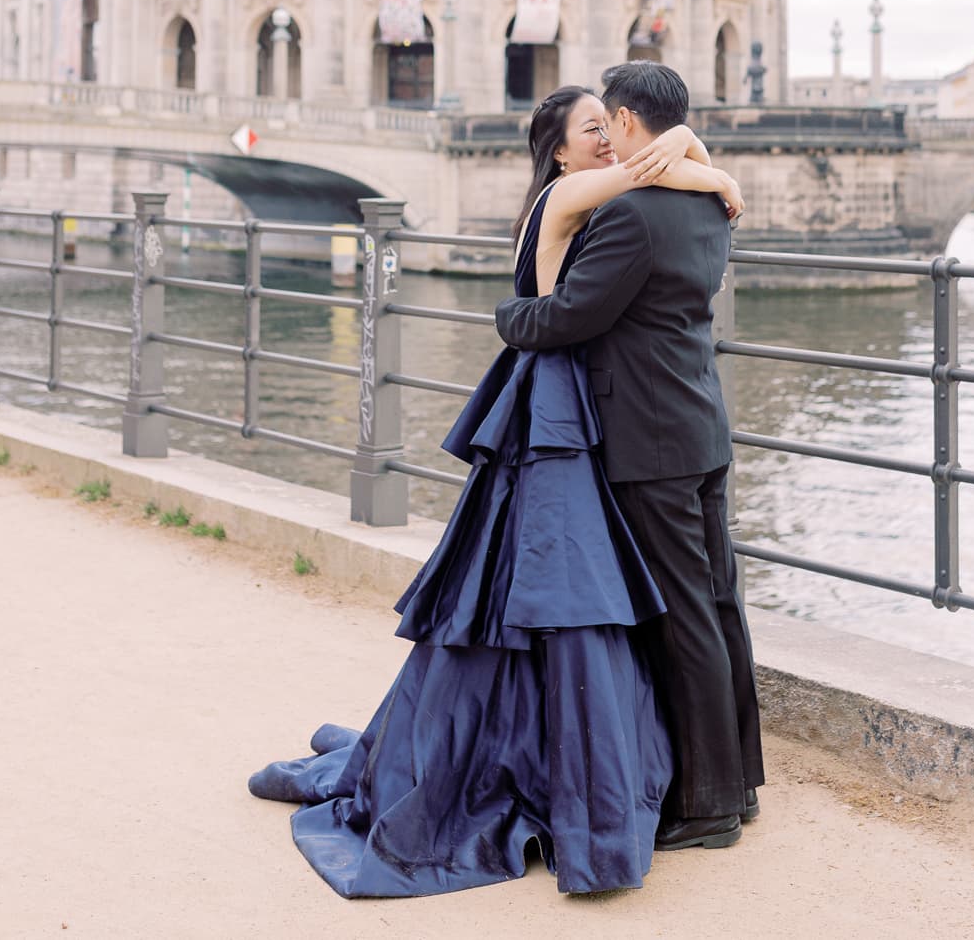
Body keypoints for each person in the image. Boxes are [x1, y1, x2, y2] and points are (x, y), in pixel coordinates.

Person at [248, 84, 743, 897]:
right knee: (568, 590)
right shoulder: (569, 192)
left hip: (577, 408)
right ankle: (608, 773)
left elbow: (655, 181)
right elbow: (670, 182)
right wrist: (700, 159)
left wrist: (687, 147)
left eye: (610, 126)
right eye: (593, 131)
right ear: (560, 151)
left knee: (557, 590)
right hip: (560, 408)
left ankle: (582, 762)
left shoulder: (601, 190)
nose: (611, 143)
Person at [496, 61, 765, 853]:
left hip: (648, 439)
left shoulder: (633, 215)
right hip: (700, 422)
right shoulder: (710, 199)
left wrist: (512, 316)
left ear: (621, 122)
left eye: (606, 123)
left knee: (682, 616)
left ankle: (708, 803)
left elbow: (572, 315)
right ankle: (737, 782)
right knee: (718, 604)